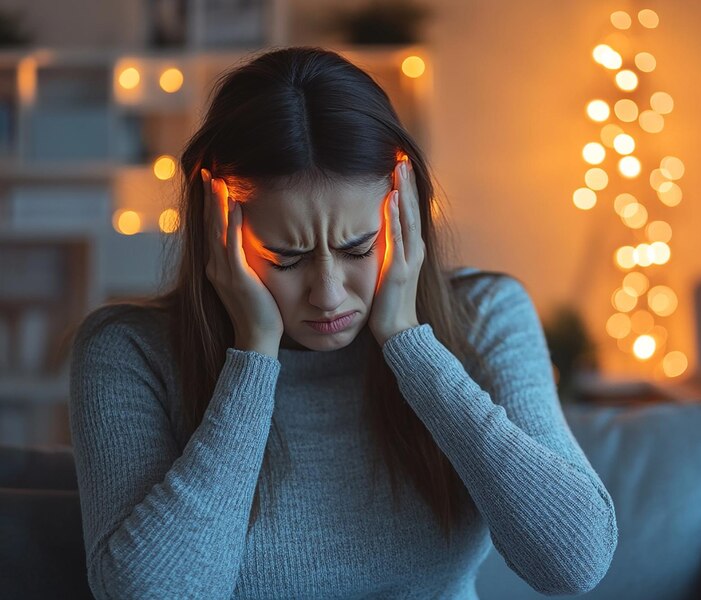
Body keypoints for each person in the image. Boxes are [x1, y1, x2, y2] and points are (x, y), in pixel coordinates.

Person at [67, 46, 618, 599]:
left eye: (359, 248)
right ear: (218, 226)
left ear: (404, 210)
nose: (328, 295)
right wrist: (253, 355)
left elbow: (573, 564)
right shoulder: (126, 352)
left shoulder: (487, 314)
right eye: (286, 256)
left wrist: (410, 344)